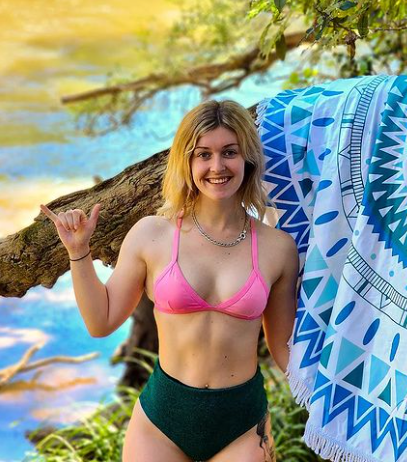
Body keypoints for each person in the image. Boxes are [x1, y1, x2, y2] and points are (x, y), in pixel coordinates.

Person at [40, 100, 299, 462]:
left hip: (242, 420)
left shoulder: (278, 248)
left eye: (229, 152)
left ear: (248, 159)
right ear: (187, 162)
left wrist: (337, 398)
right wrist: (78, 252)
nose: (217, 166)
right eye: (203, 154)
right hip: (162, 421)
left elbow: (284, 350)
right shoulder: (153, 235)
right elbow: (101, 322)